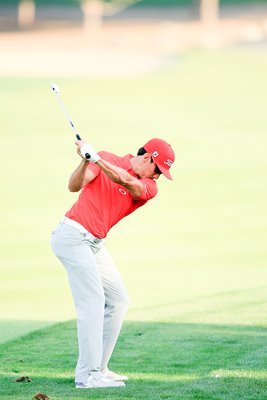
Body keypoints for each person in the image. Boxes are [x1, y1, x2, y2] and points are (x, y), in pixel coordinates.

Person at [50, 137, 175, 389]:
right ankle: (87, 376)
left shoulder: (148, 186)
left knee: (118, 300)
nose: (159, 176)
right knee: (92, 302)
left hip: (94, 243)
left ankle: (100, 368)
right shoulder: (107, 157)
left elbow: (126, 181)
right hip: (72, 236)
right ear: (148, 157)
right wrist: (85, 161)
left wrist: (96, 158)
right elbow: (74, 186)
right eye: (158, 169)